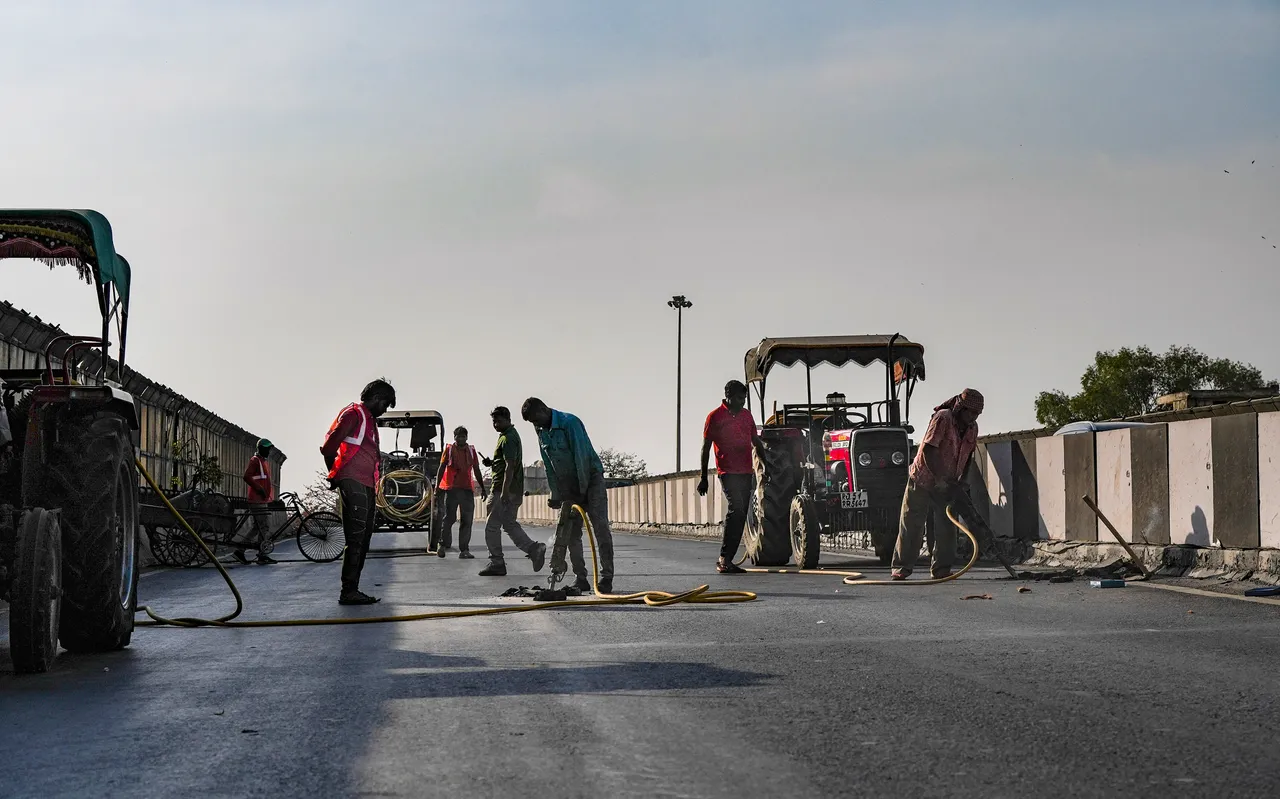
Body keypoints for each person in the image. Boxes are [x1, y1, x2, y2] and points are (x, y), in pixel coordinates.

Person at [521, 398, 614, 594]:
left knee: (600, 528)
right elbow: (548, 464)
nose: (536, 425)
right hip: (570, 487)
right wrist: (557, 494)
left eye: (536, 419)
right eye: (532, 423)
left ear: (545, 409)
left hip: (591, 480)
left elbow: (581, 458)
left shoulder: (569, 423)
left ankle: (606, 578)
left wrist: (581, 492)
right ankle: (581, 578)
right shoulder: (541, 431)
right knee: (570, 534)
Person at [892, 388, 984, 581]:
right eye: (971, 412)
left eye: (977, 414)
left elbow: (968, 457)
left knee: (947, 524)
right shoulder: (943, 418)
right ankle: (902, 567)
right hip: (924, 478)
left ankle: (941, 568)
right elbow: (928, 449)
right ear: (961, 408)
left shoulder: (972, 428)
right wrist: (939, 478)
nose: (973, 417)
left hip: (948, 483)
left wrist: (962, 482)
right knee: (912, 523)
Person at [321, 378, 397, 605]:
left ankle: (353, 589)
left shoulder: (370, 421)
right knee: (355, 538)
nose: (384, 411)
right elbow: (328, 448)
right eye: (384, 404)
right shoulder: (353, 414)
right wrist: (337, 478)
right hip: (352, 481)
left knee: (364, 538)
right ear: (375, 398)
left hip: (366, 484)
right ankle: (348, 591)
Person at [697, 380, 766, 574]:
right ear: (728, 396)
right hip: (727, 473)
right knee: (736, 509)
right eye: (738, 398)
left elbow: (757, 443)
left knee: (742, 513)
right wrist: (703, 477)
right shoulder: (715, 417)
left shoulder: (746, 416)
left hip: (746, 472)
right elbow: (706, 448)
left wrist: (765, 466)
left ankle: (728, 559)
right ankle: (724, 559)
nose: (742, 401)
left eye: (744, 398)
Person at [477, 406, 546, 577]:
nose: (495, 424)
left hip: (503, 490)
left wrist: (505, 492)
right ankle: (533, 548)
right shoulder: (507, 437)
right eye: (494, 421)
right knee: (508, 523)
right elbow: (504, 463)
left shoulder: (508, 438)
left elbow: (510, 466)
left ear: (508, 419)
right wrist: (492, 463)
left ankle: (497, 562)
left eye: (499, 421)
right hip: (510, 489)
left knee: (491, 527)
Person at [435, 426, 486, 559]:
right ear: (454, 437)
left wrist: (483, 488)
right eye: (458, 436)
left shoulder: (471, 451)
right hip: (452, 489)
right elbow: (441, 468)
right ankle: (441, 544)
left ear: (466, 437)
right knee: (449, 518)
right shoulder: (449, 450)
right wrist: (437, 488)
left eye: (463, 436)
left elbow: (476, 470)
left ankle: (464, 550)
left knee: (466, 520)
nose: (461, 438)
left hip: (467, 490)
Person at [233, 438, 278, 566]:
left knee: (257, 527)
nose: (268, 451)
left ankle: (240, 551)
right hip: (257, 499)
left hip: (261, 499)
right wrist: (259, 489)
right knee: (264, 526)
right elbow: (247, 476)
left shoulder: (263, 462)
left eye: (269, 449)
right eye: (266, 449)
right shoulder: (255, 461)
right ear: (261, 449)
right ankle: (262, 555)